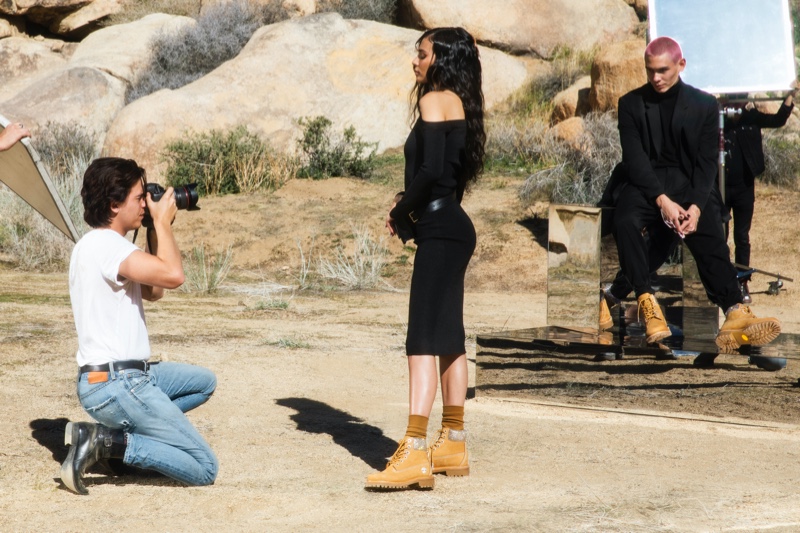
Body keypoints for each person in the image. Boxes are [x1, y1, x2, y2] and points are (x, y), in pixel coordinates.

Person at [365, 27, 485, 491]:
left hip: (440, 230)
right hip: (452, 225)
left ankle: (415, 450)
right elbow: (445, 179)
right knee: (449, 335)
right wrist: (411, 204)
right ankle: (452, 442)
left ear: (441, 60)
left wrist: (400, 210)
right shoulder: (461, 101)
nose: (416, 62)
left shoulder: (434, 99)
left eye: (422, 54)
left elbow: (432, 171)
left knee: (421, 340)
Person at [612, 36, 780, 351]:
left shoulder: (704, 105)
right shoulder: (630, 104)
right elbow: (634, 160)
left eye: (662, 70)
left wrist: (696, 209)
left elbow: (706, 165)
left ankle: (735, 312)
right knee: (625, 220)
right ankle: (648, 305)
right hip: (647, 185)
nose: (655, 78)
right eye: (650, 71)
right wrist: (662, 202)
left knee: (710, 234)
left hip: (690, 187)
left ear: (681, 65)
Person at [61, 157, 218, 495]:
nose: (146, 204)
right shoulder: (107, 246)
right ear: (114, 205)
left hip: (122, 377)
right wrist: (163, 222)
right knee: (205, 467)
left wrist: (152, 228)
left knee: (203, 383)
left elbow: (154, 291)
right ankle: (106, 443)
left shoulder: (99, 246)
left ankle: (122, 449)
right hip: (118, 382)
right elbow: (174, 276)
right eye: (138, 198)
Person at [722, 89, 795, 303]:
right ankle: (722, 281)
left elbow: (779, 119)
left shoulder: (751, 118)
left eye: (741, 98)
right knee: (720, 236)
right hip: (720, 187)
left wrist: (791, 95)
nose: (737, 103)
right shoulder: (716, 119)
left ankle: (742, 282)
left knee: (742, 237)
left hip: (744, 187)